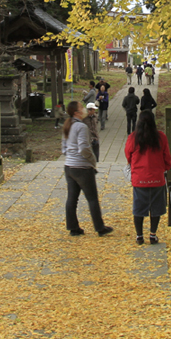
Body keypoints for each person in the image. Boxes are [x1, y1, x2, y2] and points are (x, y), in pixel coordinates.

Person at [62, 101, 113, 237]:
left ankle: (73, 227)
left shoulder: (68, 125)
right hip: (82, 167)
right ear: (76, 112)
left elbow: (64, 147)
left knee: (72, 198)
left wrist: (71, 156)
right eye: (81, 108)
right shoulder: (81, 126)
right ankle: (99, 227)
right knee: (92, 198)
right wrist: (92, 160)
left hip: (69, 166)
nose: (84, 109)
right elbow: (83, 147)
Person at [124, 110, 171, 245]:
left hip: (140, 178)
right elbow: (166, 156)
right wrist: (166, 167)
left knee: (139, 207)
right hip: (157, 178)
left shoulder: (133, 138)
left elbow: (128, 155)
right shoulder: (161, 137)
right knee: (156, 207)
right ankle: (153, 234)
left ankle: (139, 236)